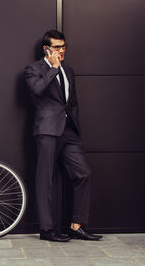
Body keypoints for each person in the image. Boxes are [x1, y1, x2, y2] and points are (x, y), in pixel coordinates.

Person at [24, 30, 102, 242]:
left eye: (63, 46)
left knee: (83, 173)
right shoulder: (34, 69)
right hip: (48, 130)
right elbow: (37, 91)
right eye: (57, 47)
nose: (61, 50)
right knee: (45, 180)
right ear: (46, 49)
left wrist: (75, 127)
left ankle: (77, 226)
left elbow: (72, 102)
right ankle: (47, 229)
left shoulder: (70, 71)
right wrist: (54, 68)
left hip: (69, 132)